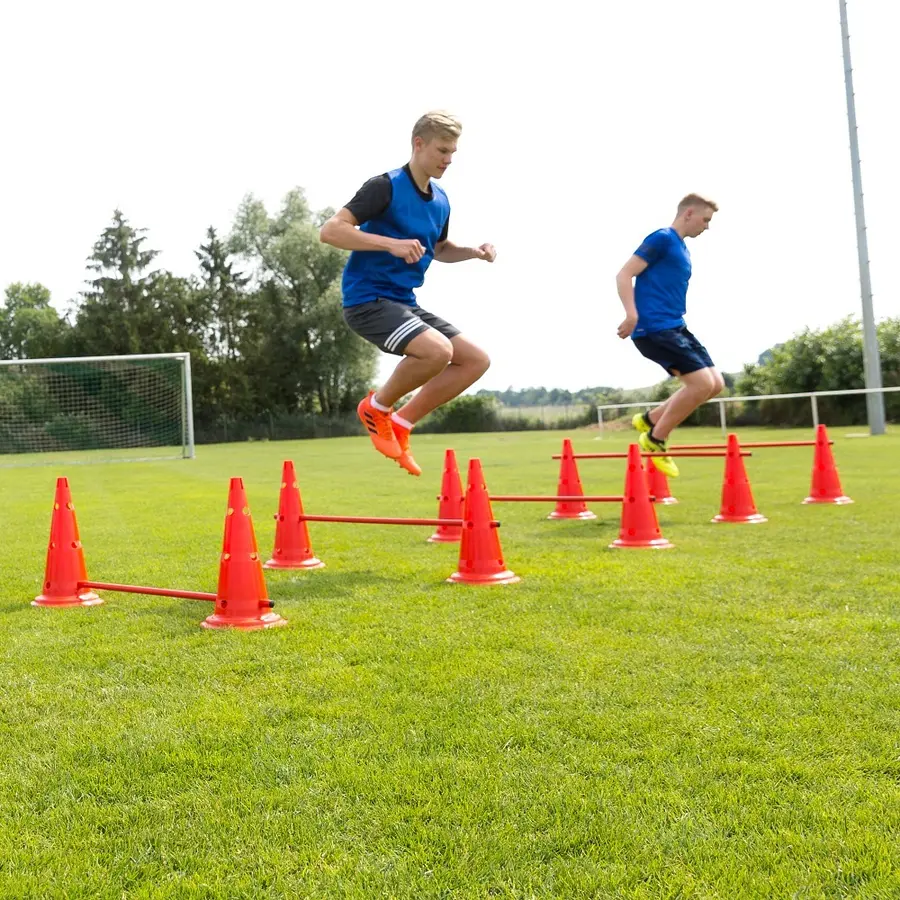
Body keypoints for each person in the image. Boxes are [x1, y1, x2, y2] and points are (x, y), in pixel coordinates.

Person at [319, 110, 496, 477]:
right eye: (442, 151)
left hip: (404, 303)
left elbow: (440, 248)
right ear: (419, 144)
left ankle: (400, 424)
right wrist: (390, 244)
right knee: (437, 351)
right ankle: (377, 408)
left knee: (475, 360)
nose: (448, 160)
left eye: (453, 153)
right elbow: (331, 231)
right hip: (367, 301)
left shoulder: (442, 200)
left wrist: (474, 253)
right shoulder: (384, 186)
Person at [615, 193, 725, 477]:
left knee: (715, 384)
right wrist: (632, 314)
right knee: (700, 384)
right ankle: (655, 439)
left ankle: (649, 419)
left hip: (675, 325)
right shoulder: (662, 238)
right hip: (653, 328)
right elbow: (624, 274)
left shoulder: (682, 248)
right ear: (689, 213)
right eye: (706, 220)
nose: (707, 227)